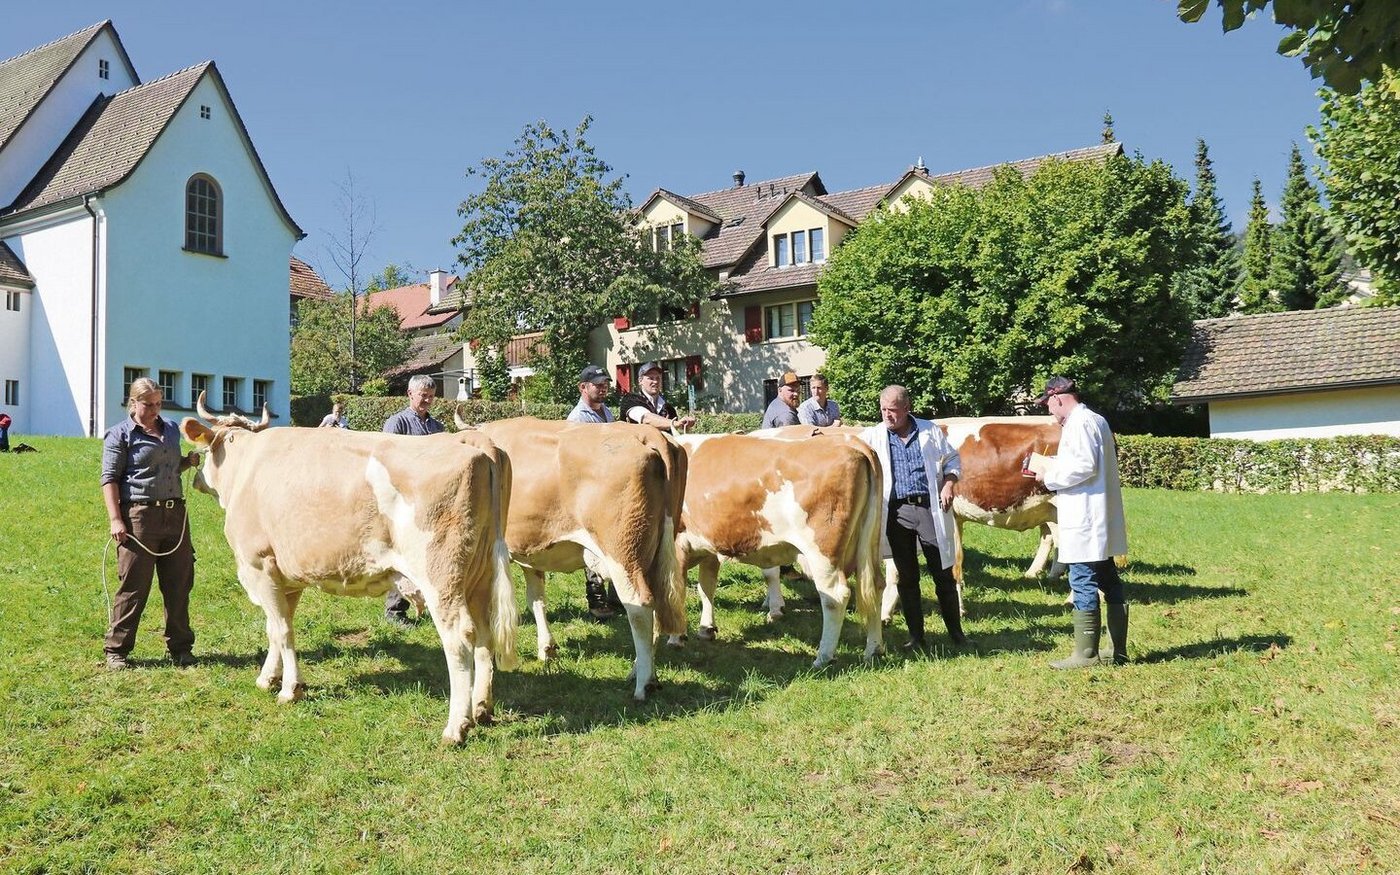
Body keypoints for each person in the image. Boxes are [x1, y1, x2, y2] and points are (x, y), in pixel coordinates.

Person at [100, 377, 201, 670]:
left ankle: (181, 648)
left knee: (179, 584)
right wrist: (116, 519)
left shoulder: (170, 429)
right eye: (149, 405)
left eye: (158, 403)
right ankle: (117, 650)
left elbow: (170, 467)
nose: (155, 410)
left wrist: (187, 461)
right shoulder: (120, 435)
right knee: (133, 585)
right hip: (139, 518)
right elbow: (109, 479)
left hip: (175, 515)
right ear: (134, 403)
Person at [1029, 376, 1129, 668]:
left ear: (1057, 398)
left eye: (1048, 404)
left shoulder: (1080, 423)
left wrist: (1048, 477)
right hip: (1096, 512)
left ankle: (1086, 654)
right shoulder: (1095, 420)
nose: (1049, 411)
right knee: (1108, 577)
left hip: (1085, 514)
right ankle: (1117, 649)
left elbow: (1084, 465)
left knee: (1082, 579)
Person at [861, 385, 969, 652]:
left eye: (893, 410)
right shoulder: (873, 436)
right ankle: (916, 637)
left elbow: (952, 459)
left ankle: (957, 634)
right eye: (883, 410)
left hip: (928, 509)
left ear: (907, 408)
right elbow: (849, 453)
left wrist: (949, 483)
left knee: (943, 573)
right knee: (907, 577)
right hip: (896, 513)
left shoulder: (929, 431)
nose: (887, 415)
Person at [380, 375, 444, 625]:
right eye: (423, 395)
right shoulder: (397, 423)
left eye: (431, 396)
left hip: (431, 500)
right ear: (410, 394)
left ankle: (430, 603)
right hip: (404, 501)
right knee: (403, 556)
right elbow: (386, 461)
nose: (427, 400)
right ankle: (395, 611)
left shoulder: (437, 427)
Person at [566, 364, 623, 620]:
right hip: (588, 489)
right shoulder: (577, 418)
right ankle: (596, 599)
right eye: (598, 384)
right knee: (593, 544)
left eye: (605, 384)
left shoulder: (606, 412)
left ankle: (616, 596)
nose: (603, 388)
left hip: (608, 486)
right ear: (583, 387)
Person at [619, 361, 695, 433]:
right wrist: (675, 423)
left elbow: (674, 432)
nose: (655, 382)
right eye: (651, 378)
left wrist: (684, 425)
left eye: (658, 378)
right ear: (640, 381)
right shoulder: (631, 400)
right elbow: (646, 419)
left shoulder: (668, 408)